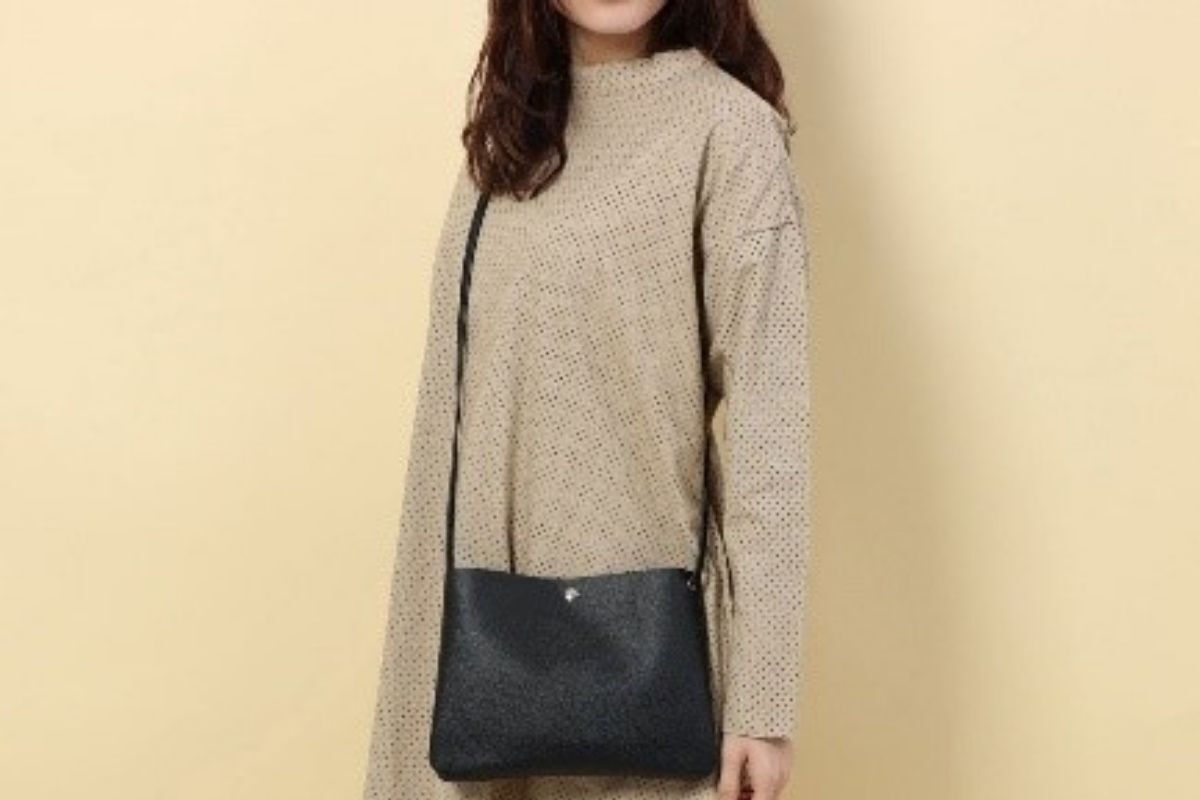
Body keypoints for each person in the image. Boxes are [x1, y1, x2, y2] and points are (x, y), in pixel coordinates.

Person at [362, 1, 811, 799]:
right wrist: (415, 682)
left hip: (647, 671)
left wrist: (762, 705)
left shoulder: (728, 133)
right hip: (473, 658)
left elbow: (770, 438)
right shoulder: (506, 138)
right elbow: (449, 424)